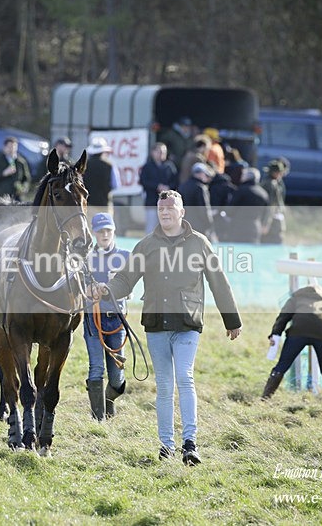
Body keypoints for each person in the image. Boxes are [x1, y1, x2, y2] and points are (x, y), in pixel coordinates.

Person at [91, 190, 242, 465]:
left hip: (187, 322)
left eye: (170, 208)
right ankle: (165, 446)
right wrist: (106, 289)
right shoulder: (146, 245)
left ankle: (190, 443)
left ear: (181, 212)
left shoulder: (199, 243)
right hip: (156, 323)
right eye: (161, 209)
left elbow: (218, 281)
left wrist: (231, 319)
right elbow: (126, 279)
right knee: (163, 385)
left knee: (184, 378)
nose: (165, 213)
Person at [261, 283, 322, 400]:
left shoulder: (296, 298)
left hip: (298, 332)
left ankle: (265, 398)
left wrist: (275, 334)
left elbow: (283, 317)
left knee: (281, 366)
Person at [83, 213, 130, 421]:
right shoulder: (84, 259)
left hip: (117, 321)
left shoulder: (126, 257)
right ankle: (98, 419)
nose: (104, 235)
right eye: (100, 231)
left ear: (114, 232)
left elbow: (129, 291)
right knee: (96, 368)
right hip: (93, 320)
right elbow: (77, 288)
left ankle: (109, 400)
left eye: (108, 231)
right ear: (94, 232)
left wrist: (109, 288)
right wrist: (88, 289)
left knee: (117, 377)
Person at [139, 142, 178, 234]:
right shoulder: (147, 167)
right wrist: (157, 186)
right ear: (153, 152)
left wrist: (168, 187)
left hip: (167, 203)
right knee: (151, 227)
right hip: (152, 201)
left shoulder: (169, 166)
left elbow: (175, 181)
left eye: (164, 152)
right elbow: (143, 181)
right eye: (159, 151)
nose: (162, 154)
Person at [228, 167, 269, 243]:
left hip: (238, 227)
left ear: (247, 177)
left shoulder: (240, 190)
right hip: (255, 227)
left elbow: (231, 209)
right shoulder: (263, 193)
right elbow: (266, 213)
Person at [178, 162, 216, 241]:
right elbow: (204, 208)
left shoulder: (182, 186)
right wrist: (209, 224)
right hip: (199, 226)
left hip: (184, 224)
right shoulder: (201, 188)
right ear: (201, 173)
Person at [0, 136, 31, 201]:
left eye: (14, 147)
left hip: (17, 197)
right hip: (2, 197)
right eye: (9, 147)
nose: (12, 150)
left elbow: (26, 178)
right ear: (4, 147)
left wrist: (24, 188)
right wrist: (3, 173)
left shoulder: (21, 162)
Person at [83, 137, 120, 214]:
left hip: (88, 204)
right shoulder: (109, 165)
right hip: (104, 204)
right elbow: (115, 185)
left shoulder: (84, 166)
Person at [260, 157, 288, 244]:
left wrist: (265, 223)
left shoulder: (268, 183)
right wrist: (266, 223)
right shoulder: (272, 184)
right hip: (273, 222)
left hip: (270, 221)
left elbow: (272, 206)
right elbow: (271, 206)